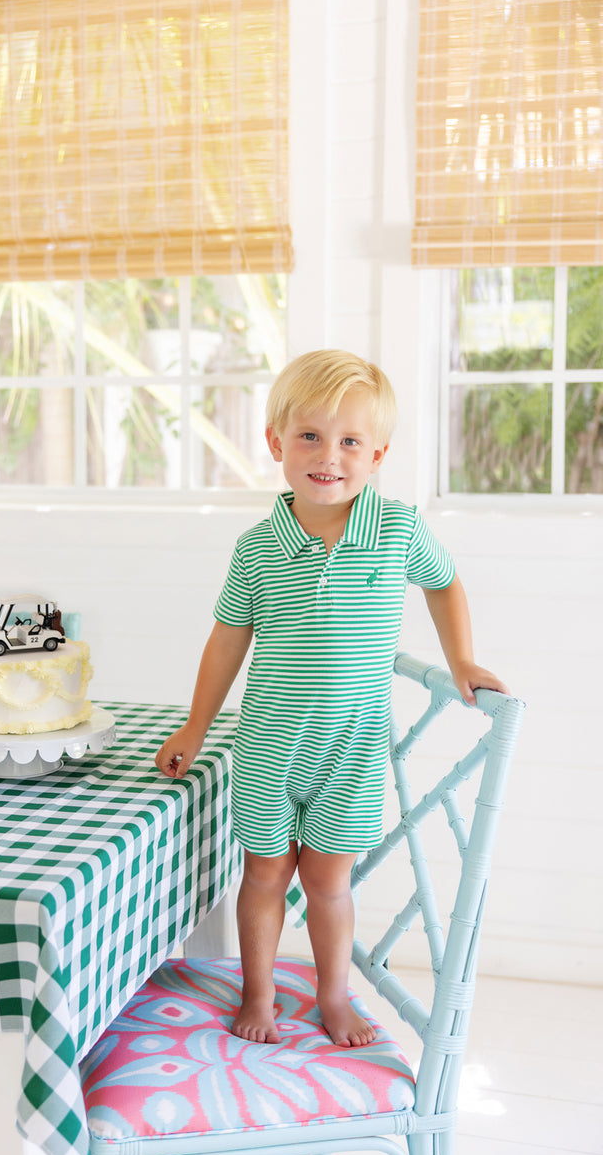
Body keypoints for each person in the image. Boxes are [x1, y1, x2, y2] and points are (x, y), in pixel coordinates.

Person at [154, 349, 509, 1049]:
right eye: (310, 436)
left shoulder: (398, 529)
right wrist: (196, 727)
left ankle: (333, 995)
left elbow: (444, 584)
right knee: (263, 875)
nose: (328, 456)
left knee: (328, 883)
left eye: (350, 441)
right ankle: (258, 993)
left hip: (351, 749)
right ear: (276, 442)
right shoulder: (257, 548)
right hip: (268, 746)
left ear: (377, 455)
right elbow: (227, 640)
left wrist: (461, 659)